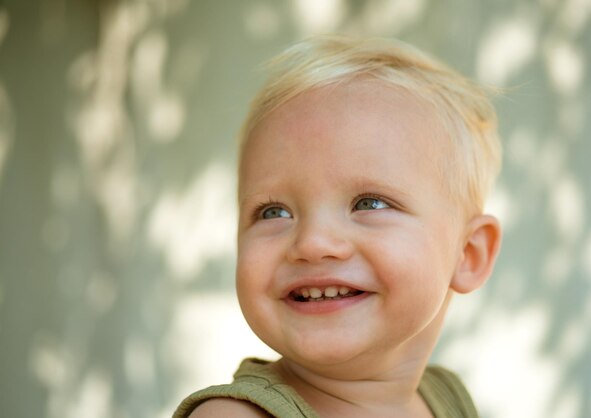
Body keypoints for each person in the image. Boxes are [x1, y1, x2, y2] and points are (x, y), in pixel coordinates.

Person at [173, 35, 503, 418]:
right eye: (273, 212)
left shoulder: (445, 400)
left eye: (369, 204)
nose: (312, 243)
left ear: (468, 254)